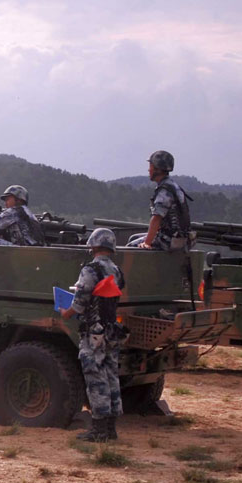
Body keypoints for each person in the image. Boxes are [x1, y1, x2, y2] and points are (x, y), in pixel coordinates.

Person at [61, 227, 126, 442]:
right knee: (111, 377)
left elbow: (80, 302)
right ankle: (111, 429)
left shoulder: (90, 270)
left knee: (95, 378)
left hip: (94, 332)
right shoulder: (116, 270)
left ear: (93, 245)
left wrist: (66, 312)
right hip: (111, 330)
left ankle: (98, 430)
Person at [128, 150, 192, 251]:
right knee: (134, 238)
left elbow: (157, 218)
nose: (149, 170)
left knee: (131, 248)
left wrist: (147, 243)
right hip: (180, 239)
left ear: (157, 169)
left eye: (151, 166)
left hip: (169, 240)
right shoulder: (173, 186)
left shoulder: (164, 190)